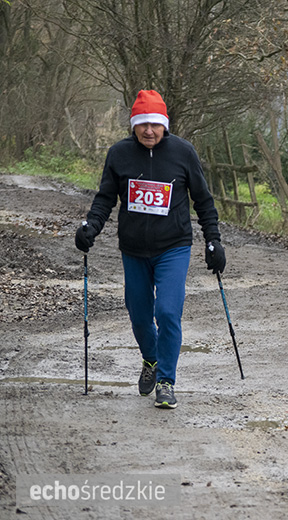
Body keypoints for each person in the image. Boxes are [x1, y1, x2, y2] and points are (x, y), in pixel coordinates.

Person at [75, 89, 225, 409]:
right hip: (133, 249)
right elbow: (105, 197)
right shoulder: (119, 154)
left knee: (167, 312)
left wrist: (213, 240)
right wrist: (91, 227)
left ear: (164, 125)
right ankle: (151, 360)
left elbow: (204, 200)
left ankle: (166, 381)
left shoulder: (183, 153)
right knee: (141, 316)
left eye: (155, 124)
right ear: (133, 126)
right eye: (142, 124)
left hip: (174, 246)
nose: (149, 131)